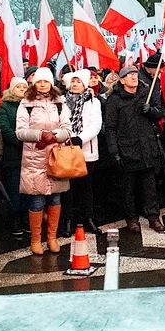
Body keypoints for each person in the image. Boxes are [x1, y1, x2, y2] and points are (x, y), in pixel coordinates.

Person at [16, 67, 73, 255]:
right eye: (39, 81)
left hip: (56, 155)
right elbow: (20, 131)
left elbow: (67, 128)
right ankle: (35, 239)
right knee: (37, 200)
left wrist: (54, 136)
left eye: (46, 81)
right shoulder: (26, 104)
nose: (42, 85)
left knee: (55, 198)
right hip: (34, 157)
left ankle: (52, 237)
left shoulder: (60, 103)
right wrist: (40, 135)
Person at [103, 66, 165, 233]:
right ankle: (132, 219)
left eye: (135, 75)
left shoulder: (147, 93)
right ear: (122, 80)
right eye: (129, 75)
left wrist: (151, 111)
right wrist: (114, 153)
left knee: (150, 187)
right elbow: (110, 128)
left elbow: (160, 113)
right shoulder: (114, 100)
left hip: (147, 148)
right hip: (127, 150)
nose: (133, 77)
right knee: (128, 189)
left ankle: (154, 217)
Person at [63, 69, 103, 234]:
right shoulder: (62, 101)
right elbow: (62, 122)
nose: (75, 84)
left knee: (85, 188)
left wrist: (80, 138)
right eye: (73, 81)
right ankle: (68, 221)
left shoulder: (94, 102)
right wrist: (69, 137)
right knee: (68, 188)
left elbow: (96, 124)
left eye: (78, 82)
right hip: (67, 150)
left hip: (87, 151)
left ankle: (88, 218)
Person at [0, 78, 29, 240]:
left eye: (25, 86)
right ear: (11, 89)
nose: (22, 89)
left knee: (28, 191)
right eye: (18, 86)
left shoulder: (31, 105)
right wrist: (20, 141)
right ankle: (16, 221)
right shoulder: (5, 106)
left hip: (30, 156)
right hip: (13, 155)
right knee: (15, 190)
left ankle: (26, 220)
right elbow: (3, 126)